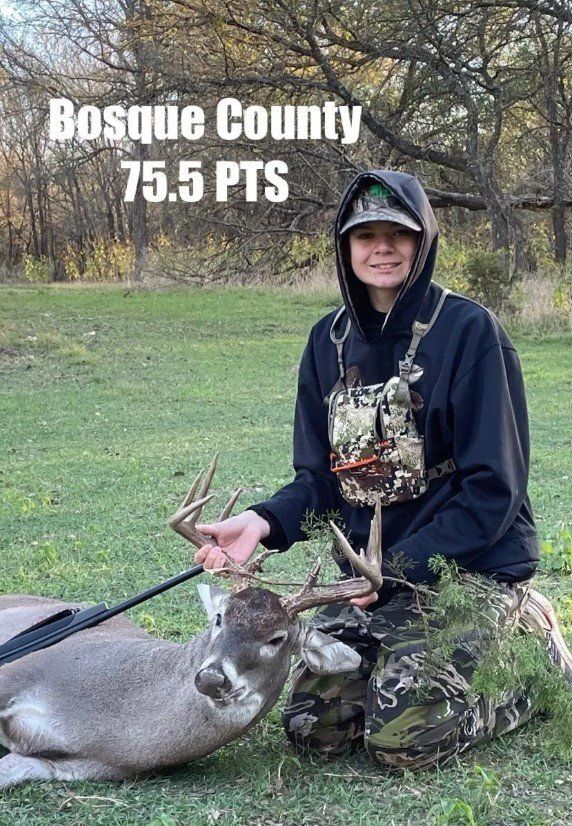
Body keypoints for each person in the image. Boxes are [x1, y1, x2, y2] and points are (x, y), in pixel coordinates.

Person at [194, 170, 571, 771]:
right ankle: (402, 668)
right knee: (313, 729)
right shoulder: (328, 342)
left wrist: (394, 570)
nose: (382, 247)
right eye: (364, 234)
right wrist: (263, 523)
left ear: (423, 240)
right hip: (370, 586)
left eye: (398, 232)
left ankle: (530, 644)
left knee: (405, 740)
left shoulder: (471, 333)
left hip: (463, 573)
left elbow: (493, 489)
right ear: (345, 248)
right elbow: (321, 478)